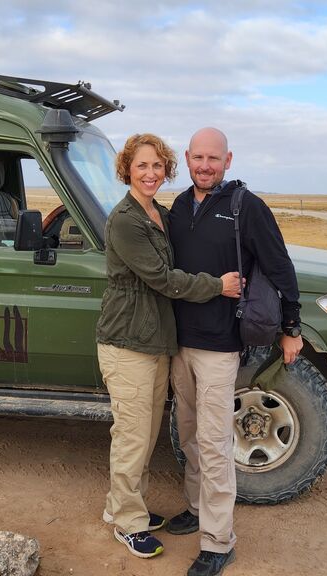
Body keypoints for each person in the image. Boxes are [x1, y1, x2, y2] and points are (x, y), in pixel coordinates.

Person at [95, 133, 242, 560]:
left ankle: (126, 506)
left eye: (157, 166)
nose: (150, 173)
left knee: (144, 433)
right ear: (128, 169)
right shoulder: (125, 219)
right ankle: (127, 521)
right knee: (132, 436)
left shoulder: (158, 212)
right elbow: (164, 279)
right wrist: (219, 286)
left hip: (154, 342)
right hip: (127, 343)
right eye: (142, 165)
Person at [166, 127, 303, 576]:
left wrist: (291, 326)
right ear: (186, 158)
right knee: (188, 433)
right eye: (198, 157)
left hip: (221, 346)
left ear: (228, 160)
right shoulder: (179, 207)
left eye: (214, 158)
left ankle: (219, 540)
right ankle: (196, 507)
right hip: (179, 344)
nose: (205, 165)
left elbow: (280, 266)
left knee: (214, 442)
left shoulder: (248, 208)